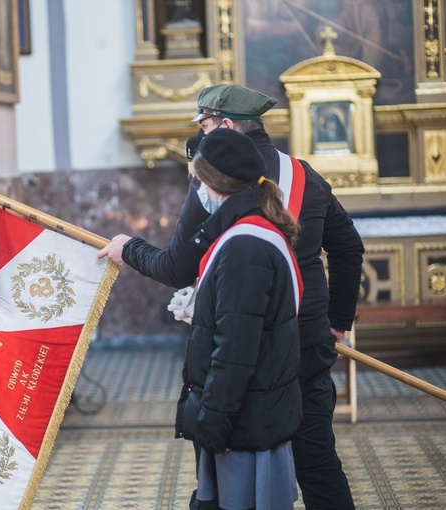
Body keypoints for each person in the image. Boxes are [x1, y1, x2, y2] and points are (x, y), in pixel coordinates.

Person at [98, 83, 364, 510]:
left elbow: (176, 267)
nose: (202, 136)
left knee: (235, 473)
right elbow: (349, 248)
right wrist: (335, 321)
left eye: (204, 125)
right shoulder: (303, 174)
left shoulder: (216, 180)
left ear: (224, 126)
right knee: (317, 465)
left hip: (245, 356)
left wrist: (127, 248)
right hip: (306, 340)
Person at [176, 128, 303, 510]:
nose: (198, 191)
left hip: (242, 422)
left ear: (216, 182)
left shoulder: (245, 245)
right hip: (247, 413)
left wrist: (213, 425)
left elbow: (235, 351)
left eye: (199, 181)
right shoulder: (250, 230)